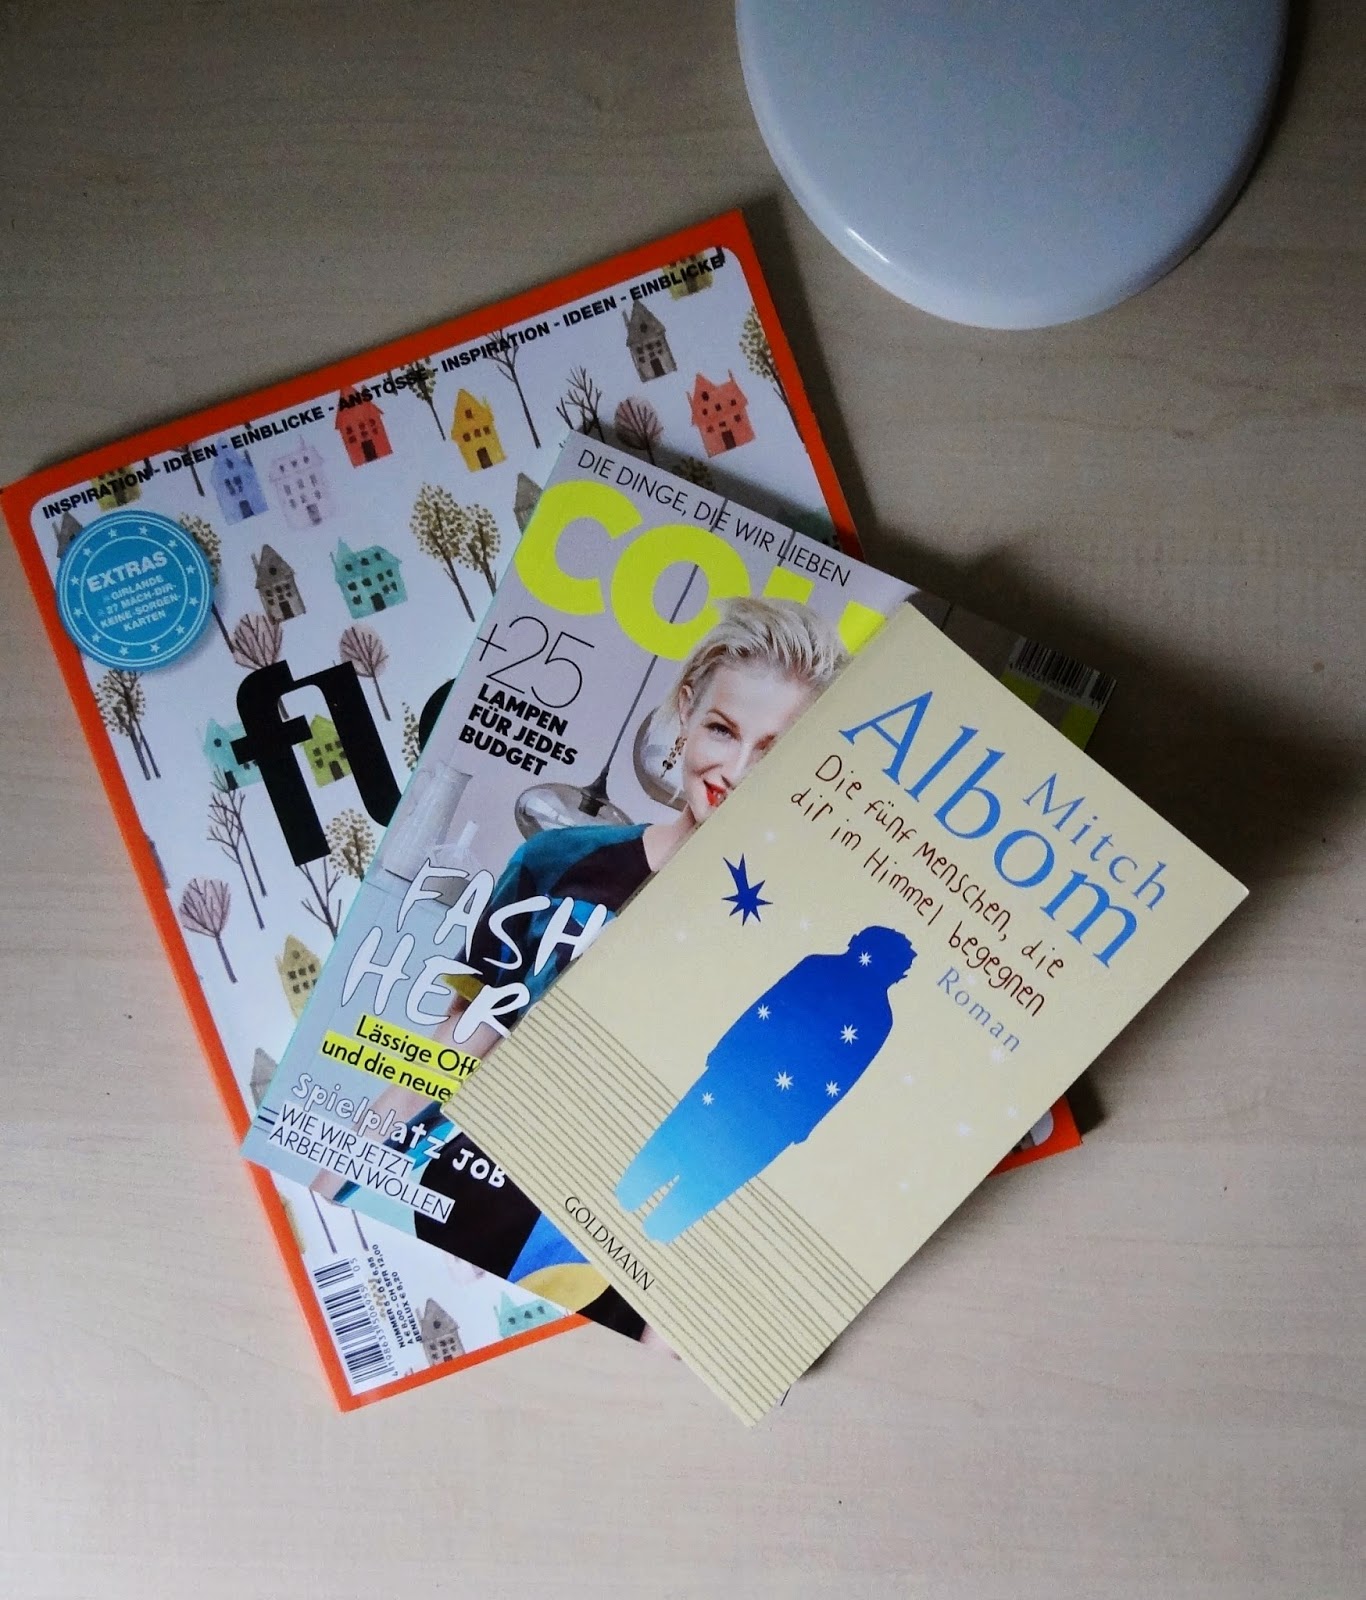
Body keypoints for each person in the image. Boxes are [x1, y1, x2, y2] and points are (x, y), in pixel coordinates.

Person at [313, 597, 849, 1328]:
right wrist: (330, 1179)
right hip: (466, 1186)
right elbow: (458, 1033)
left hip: (610, 1237)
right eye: (723, 730)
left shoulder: (789, 940)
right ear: (686, 713)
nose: (735, 768)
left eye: (772, 749)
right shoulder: (558, 859)